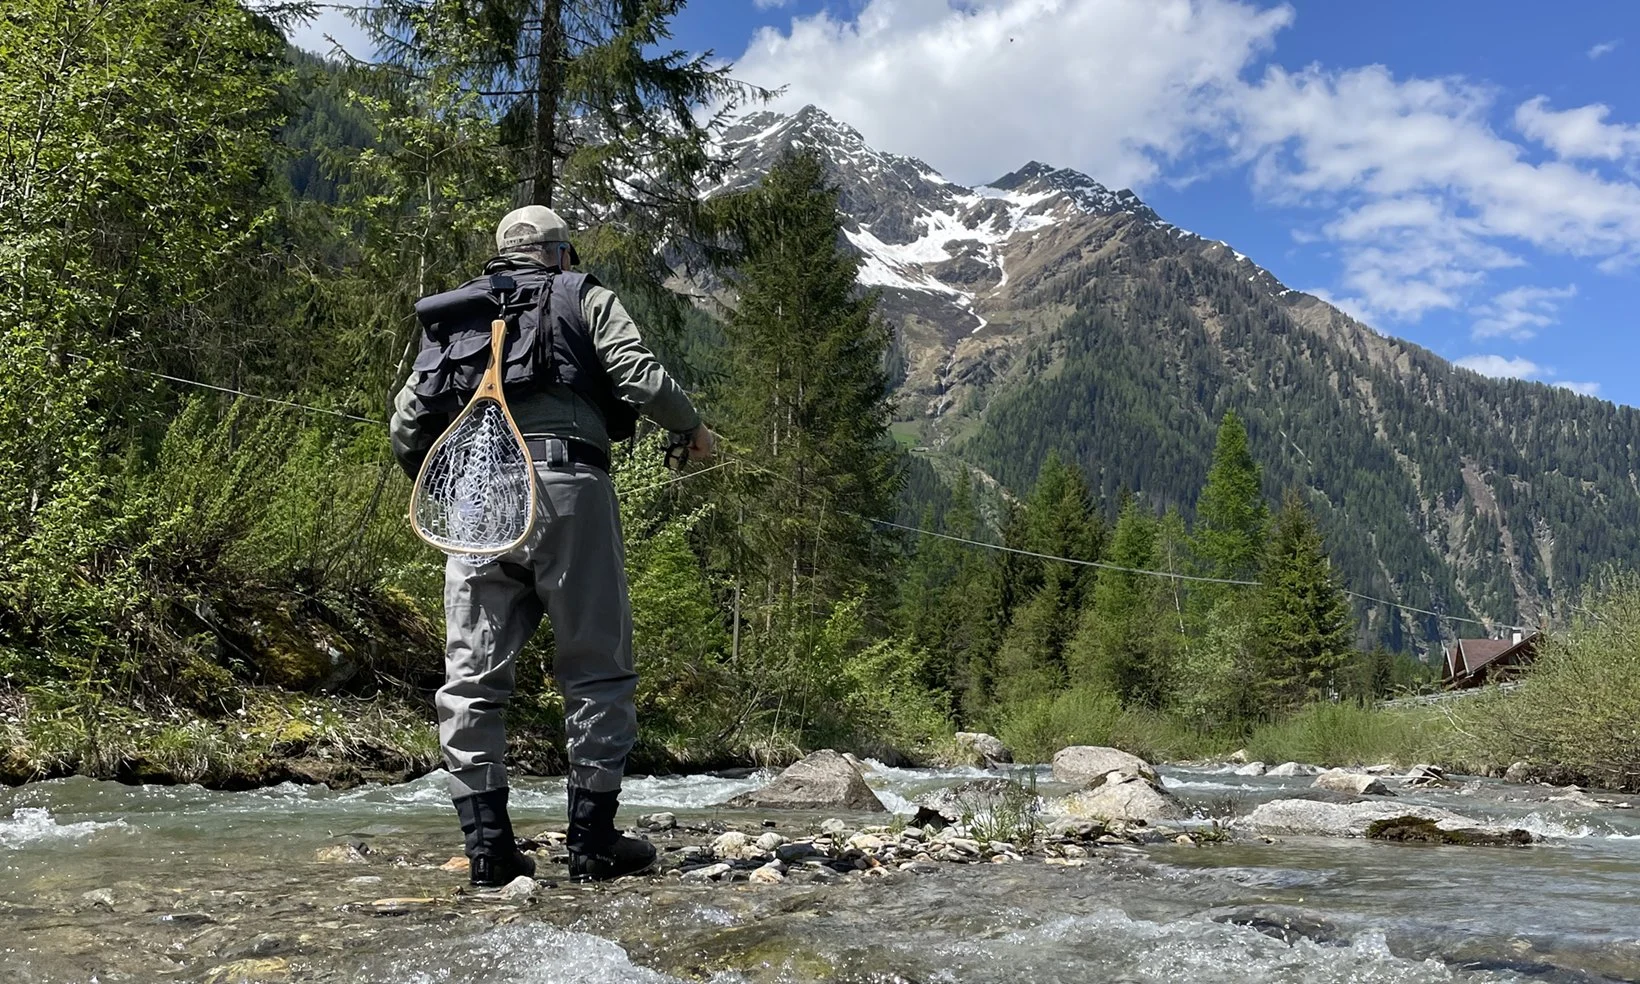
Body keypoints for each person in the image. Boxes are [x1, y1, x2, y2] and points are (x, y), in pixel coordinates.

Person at [389, 205, 714, 885]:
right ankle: (592, 845)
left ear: (501, 255)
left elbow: (408, 426)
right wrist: (691, 428)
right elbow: (641, 378)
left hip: (479, 498)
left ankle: (488, 850)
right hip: (570, 484)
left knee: (472, 678)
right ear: (560, 254)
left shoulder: (457, 317)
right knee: (595, 667)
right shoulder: (582, 294)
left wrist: (452, 488)